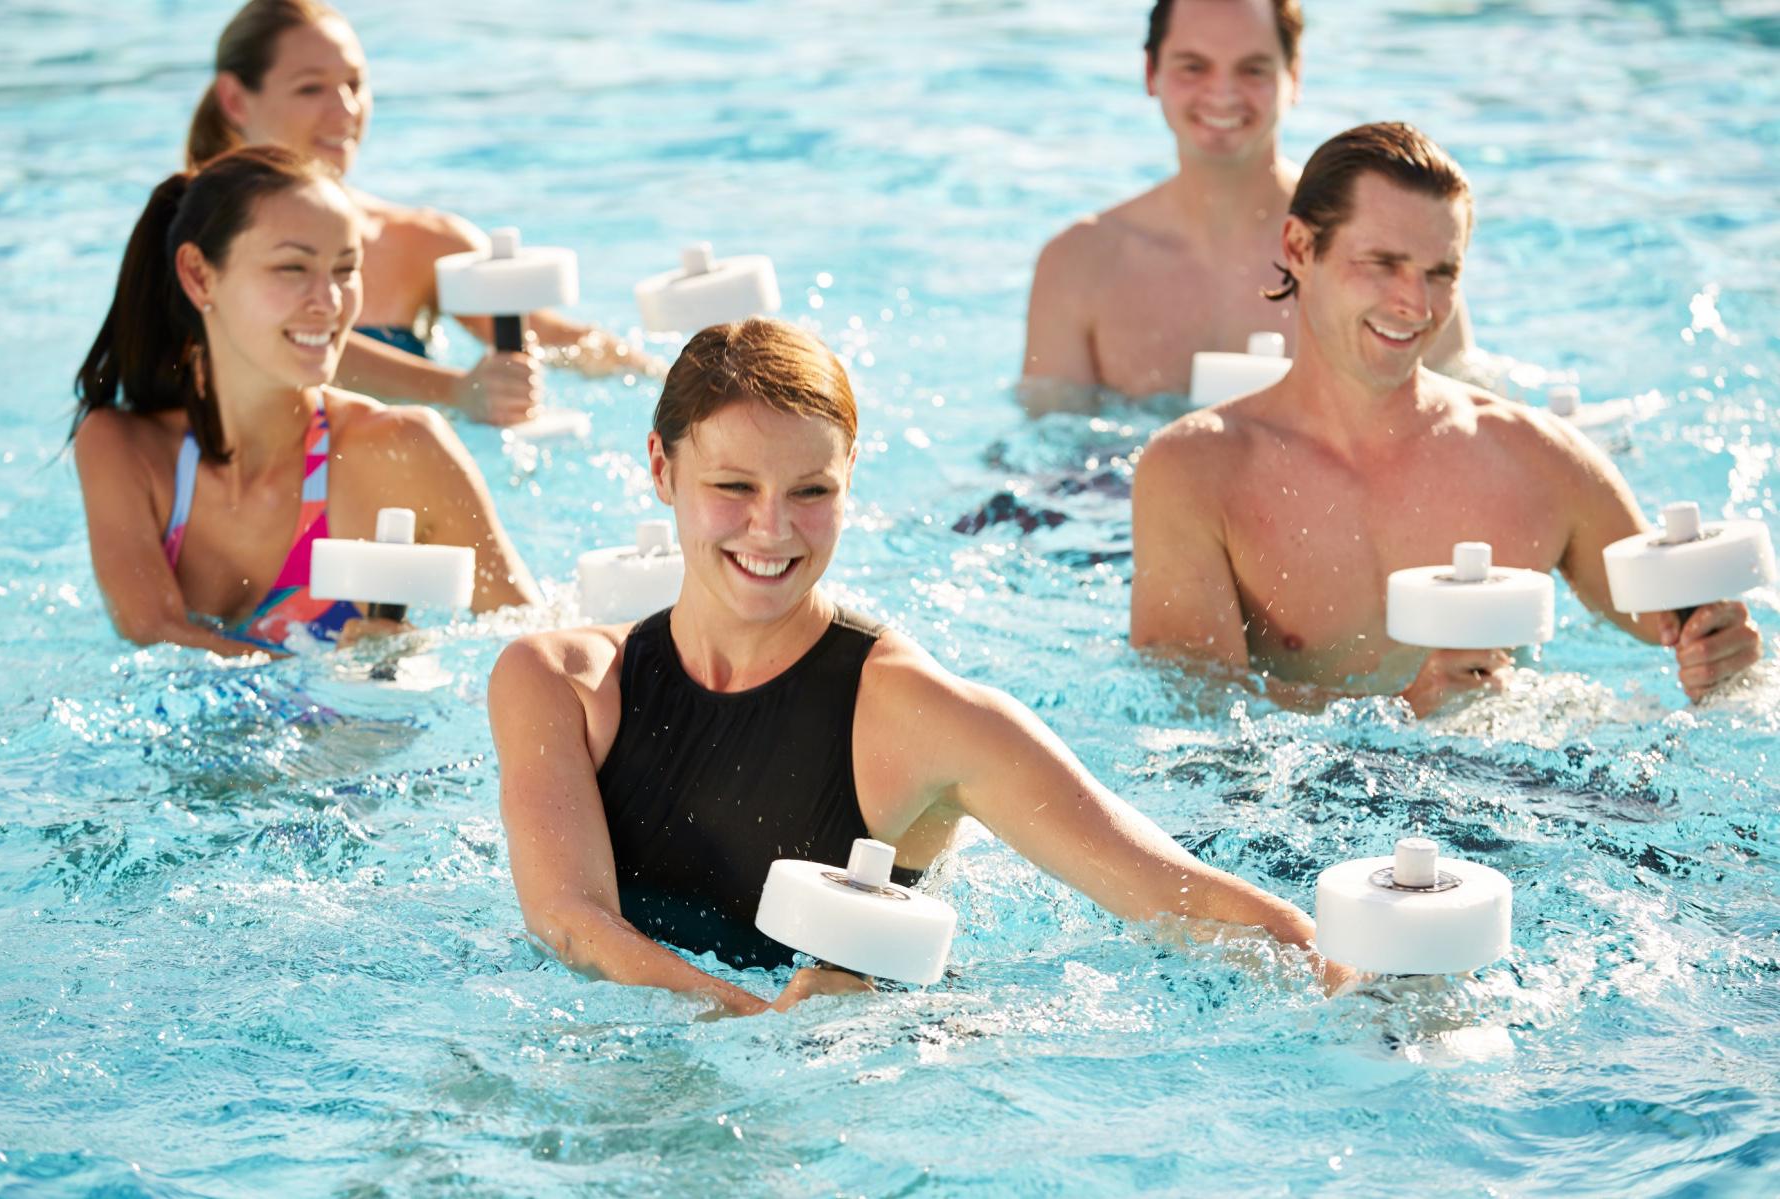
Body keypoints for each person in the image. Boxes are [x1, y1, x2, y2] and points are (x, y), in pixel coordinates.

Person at [490, 318, 1343, 1015]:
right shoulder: (560, 684)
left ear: (850, 480)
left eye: (811, 492)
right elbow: (568, 920)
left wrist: (1360, 987)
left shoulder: (923, 716)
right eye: (735, 487)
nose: (772, 528)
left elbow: (1180, 897)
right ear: (659, 468)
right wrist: (761, 1024)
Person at [1128, 122, 1762, 715]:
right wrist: (1405, 710)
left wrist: (1724, 654)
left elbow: (1675, 625)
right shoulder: (1194, 471)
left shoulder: (1539, 458)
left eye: (1441, 273)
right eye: (1382, 263)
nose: (1416, 303)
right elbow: (1192, 706)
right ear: (1299, 247)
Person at [73, 144, 543, 655]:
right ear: (199, 276)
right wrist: (327, 674)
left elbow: (530, 643)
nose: (330, 302)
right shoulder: (125, 450)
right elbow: (154, 635)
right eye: (293, 269)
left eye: (346, 269)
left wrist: (399, 665)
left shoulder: (404, 450)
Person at [188, 0, 664, 427]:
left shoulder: (420, 243)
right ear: (234, 100)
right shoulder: (187, 235)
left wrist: (675, 378)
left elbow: (561, 341)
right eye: (311, 88)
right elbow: (253, 335)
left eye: (355, 84)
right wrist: (453, 390)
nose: (346, 109)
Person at [1021, 0, 1471, 411]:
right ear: (1150, 73)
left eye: (1252, 69)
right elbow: (1046, 465)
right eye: (1193, 66)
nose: (1223, 93)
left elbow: (1458, 420)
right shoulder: (1079, 263)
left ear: (1293, 74)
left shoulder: (1387, 241)